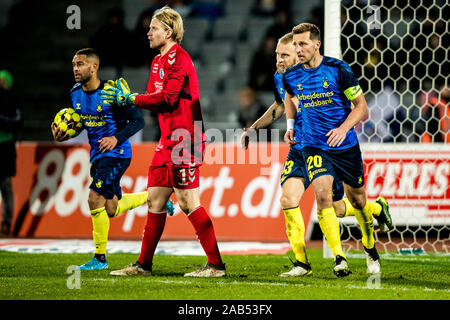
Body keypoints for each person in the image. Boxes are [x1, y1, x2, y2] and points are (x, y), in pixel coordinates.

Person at [241, 33, 392, 277]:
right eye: (277, 55)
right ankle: (306, 262)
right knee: (289, 199)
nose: (279, 60)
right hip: (302, 149)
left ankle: (374, 209)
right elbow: (281, 104)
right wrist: (255, 128)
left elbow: (355, 105)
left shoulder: (324, 71)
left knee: (339, 208)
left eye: (285, 55)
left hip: (330, 145)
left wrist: (341, 128)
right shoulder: (283, 77)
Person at [102, 6, 226, 277]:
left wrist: (132, 98)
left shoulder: (179, 59)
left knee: (187, 202)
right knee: (155, 200)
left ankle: (216, 265)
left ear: (169, 32)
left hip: (186, 139)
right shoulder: (157, 61)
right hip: (167, 141)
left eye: (154, 28)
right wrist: (128, 104)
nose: (148, 32)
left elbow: (167, 98)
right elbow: (151, 98)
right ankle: (143, 265)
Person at [51, 48, 173, 270]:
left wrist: (116, 139)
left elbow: (138, 121)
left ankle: (99, 259)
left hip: (117, 154)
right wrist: (66, 133)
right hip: (97, 155)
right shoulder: (75, 92)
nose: (76, 69)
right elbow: (84, 123)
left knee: (94, 198)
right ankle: (155, 197)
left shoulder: (111, 92)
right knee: (109, 208)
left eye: (80, 64)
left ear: (94, 67)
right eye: (74, 65)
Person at [283, 23, 385, 276]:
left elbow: (360, 106)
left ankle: (370, 247)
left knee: (357, 200)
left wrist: (343, 128)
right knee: (322, 195)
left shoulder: (338, 70)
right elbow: (288, 97)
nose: (298, 49)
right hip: (314, 145)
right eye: (295, 44)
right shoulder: (292, 75)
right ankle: (340, 259)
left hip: (345, 146)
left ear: (317, 44)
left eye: (303, 43)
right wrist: (291, 126)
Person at [0, 70, 23, 236]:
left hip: (5, 147)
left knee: (6, 186)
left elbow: (17, 121)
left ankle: (7, 223)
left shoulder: (12, 99)